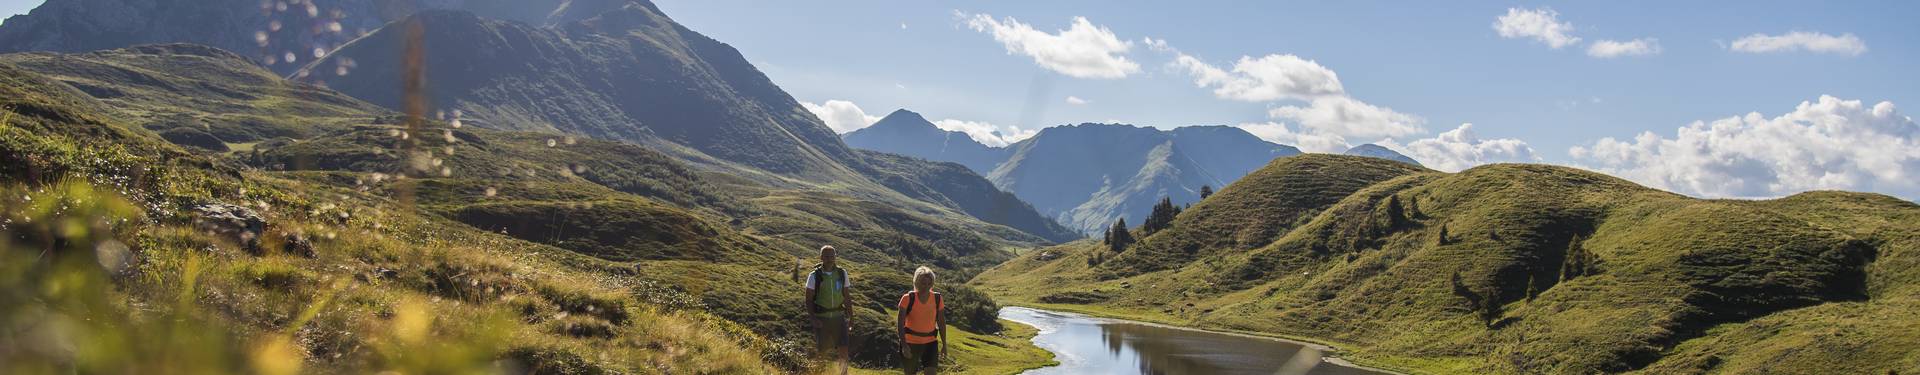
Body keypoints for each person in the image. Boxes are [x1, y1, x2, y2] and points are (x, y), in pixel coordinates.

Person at [804, 245, 852, 374]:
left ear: (836, 257)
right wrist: (813, 318)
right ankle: (818, 372)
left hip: (839, 317)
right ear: (821, 258)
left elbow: (846, 296)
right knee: (822, 351)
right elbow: (808, 299)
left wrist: (851, 317)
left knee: (843, 349)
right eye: (826, 256)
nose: (829, 259)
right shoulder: (814, 276)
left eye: (832, 256)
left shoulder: (842, 273)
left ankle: (844, 373)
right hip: (822, 318)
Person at [896, 266, 946, 375]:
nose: (926, 287)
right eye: (923, 283)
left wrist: (944, 345)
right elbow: (900, 324)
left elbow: (941, 323)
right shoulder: (907, 298)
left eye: (929, 284)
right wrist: (904, 345)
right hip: (910, 343)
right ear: (917, 282)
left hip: (930, 343)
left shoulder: (938, 299)